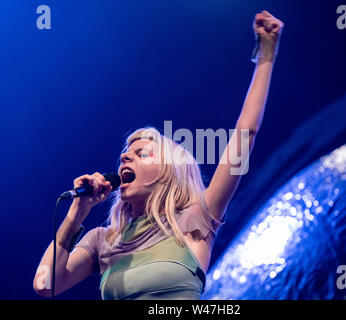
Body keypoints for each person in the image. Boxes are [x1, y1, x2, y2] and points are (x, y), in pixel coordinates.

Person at [33, 10, 284, 300]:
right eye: (125, 155)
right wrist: (76, 215)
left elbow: (246, 133)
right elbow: (44, 285)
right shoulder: (102, 240)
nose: (126, 159)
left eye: (142, 154)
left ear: (169, 172)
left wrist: (266, 53)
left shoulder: (197, 218)